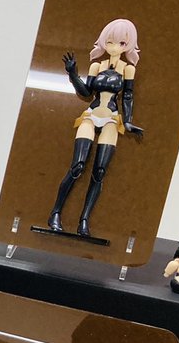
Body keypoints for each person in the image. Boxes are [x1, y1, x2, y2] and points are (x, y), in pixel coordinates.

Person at [46, 18, 143, 237]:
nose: (114, 47)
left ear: (128, 45)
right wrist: (73, 74)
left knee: (99, 172)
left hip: (111, 119)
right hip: (91, 116)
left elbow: (128, 96)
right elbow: (86, 92)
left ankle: (84, 220)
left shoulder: (128, 69)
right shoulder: (96, 66)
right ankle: (55, 213)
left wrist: (128, 121)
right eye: (110, 42)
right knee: (77, 166)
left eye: (121, 43)